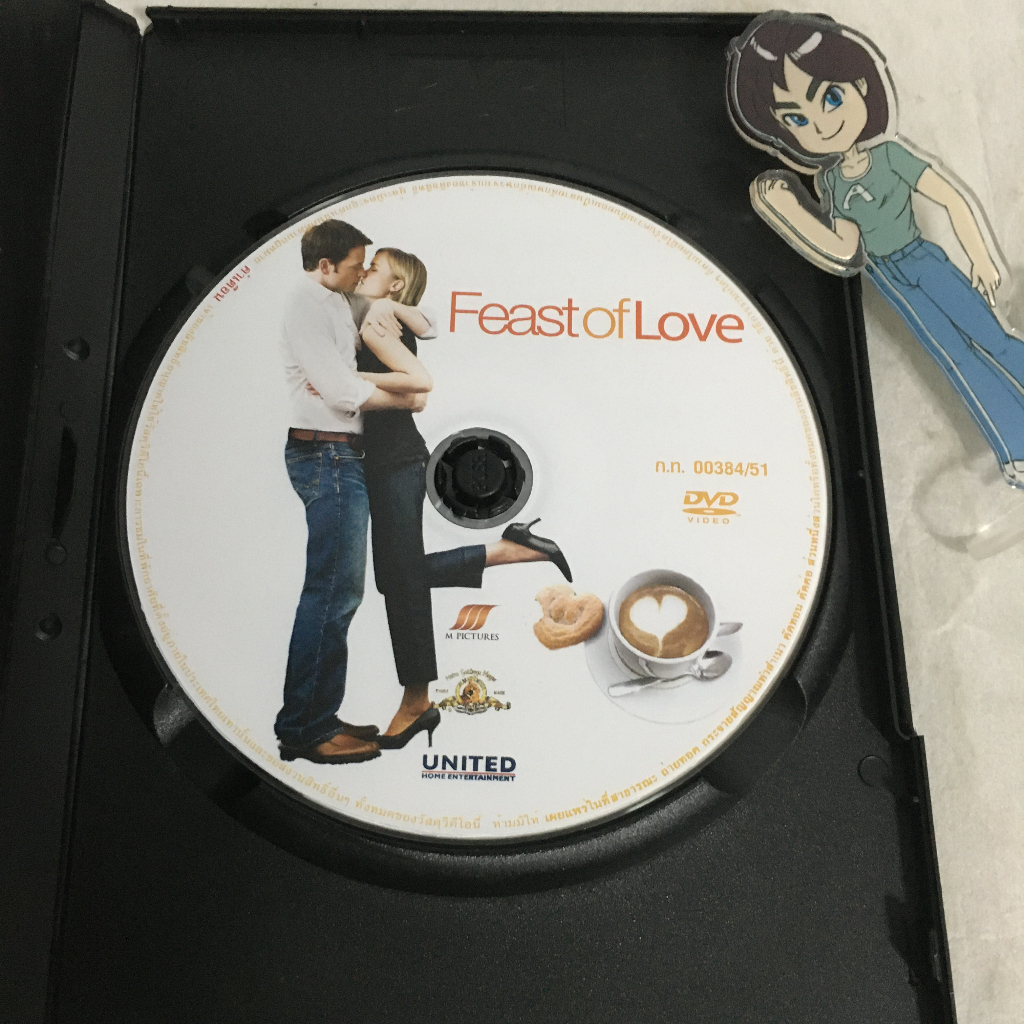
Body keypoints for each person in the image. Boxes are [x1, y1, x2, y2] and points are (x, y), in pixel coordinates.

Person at [726, 11, 1024, 486]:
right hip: (887, 277)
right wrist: (791, 213)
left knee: (993, 338)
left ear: (861, 84)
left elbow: (950, 196)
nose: (821, 125)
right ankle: (1016, 448)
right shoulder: (828, 182)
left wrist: (982, 256)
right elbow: (843, 248)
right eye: (797, 119)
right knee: (956, 359)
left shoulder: (891, 154)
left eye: (831, 97)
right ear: (784, 134)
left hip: (923, 260)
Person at [348, 247, 572, 749]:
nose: (363, 271)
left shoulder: (380, 321)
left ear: (395, 285)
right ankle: (510, 549)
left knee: (400, 581)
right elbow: (415, 392)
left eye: (374, 268)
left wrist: (346, 379)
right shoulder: (378, 315)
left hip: (396, 462)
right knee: (395, 578)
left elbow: (419, 391)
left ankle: (416, 701)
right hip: (380, 463)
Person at [274, 220, 430, 766]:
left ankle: (318, 715)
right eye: (357, 264)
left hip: (341, 455)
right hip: (328, 454)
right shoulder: (308, 306)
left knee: (340, 593)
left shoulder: (339, 302)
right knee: (333, 595)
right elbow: (343, 391)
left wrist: (406, 373)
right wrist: (408, 394)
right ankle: (306, 728)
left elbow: (420, 327)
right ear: (326, 266)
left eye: (371, 266)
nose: (362, 272)